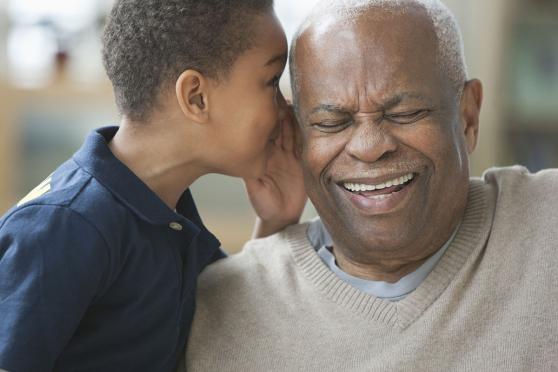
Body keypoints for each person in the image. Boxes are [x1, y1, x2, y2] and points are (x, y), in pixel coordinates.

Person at [185, 0, 558, 371]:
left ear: (468, 117)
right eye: (332, 122)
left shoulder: (547, 223)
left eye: (405, 114)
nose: (369, 148)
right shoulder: (219, 310)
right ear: (295, 135)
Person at [0, 0, 306, 371]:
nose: (285, 106)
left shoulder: (168, 214)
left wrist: (275, 222)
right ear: (196, 96)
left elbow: (233, 324)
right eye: (271, 82)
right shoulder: (67, 226)